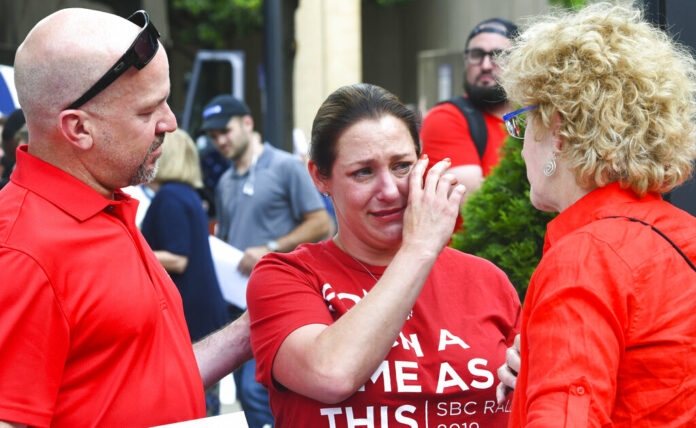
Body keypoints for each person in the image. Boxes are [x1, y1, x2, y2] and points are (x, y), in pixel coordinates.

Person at [0, 8, 251, 427]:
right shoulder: (22, 252)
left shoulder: (106, 205)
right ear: (78, 129)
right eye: (147, 111)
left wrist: (254, 326)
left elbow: (144, 380)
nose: (170, 122)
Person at [246, 83, 521, 427]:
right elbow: (332, 374)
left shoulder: (486, 279)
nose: (389, 191)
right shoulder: (287, 276)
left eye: (402, 166)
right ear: (320, 177)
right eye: (363, 172)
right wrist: (420, 249)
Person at [496, 2, 696, 425]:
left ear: (558, 133)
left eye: (521, 123)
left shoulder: (586, 259)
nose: (522, 147)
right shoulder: (683, 234)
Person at [202, 94, 332, 427]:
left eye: (225, 131)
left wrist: (271, 247)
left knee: (258, 389)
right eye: (213, 136)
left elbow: (321, 223)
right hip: (241, 299)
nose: (220, 141)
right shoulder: (228, 180)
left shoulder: (286, 166)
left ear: (247, 123)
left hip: (288, 296)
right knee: (250, 392)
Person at [140, 128, 231, 414]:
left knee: (195, 403)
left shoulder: (169, 198)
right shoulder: (187, 194)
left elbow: (178, 258)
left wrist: (131, 252)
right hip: (205, 312)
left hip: (189, 317)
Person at [420, 18, 517, 229]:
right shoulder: (446, 117)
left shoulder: (534, 118)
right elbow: (474, 203)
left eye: (497, 56)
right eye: (476, 55)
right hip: (469, 253)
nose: (485, 65)